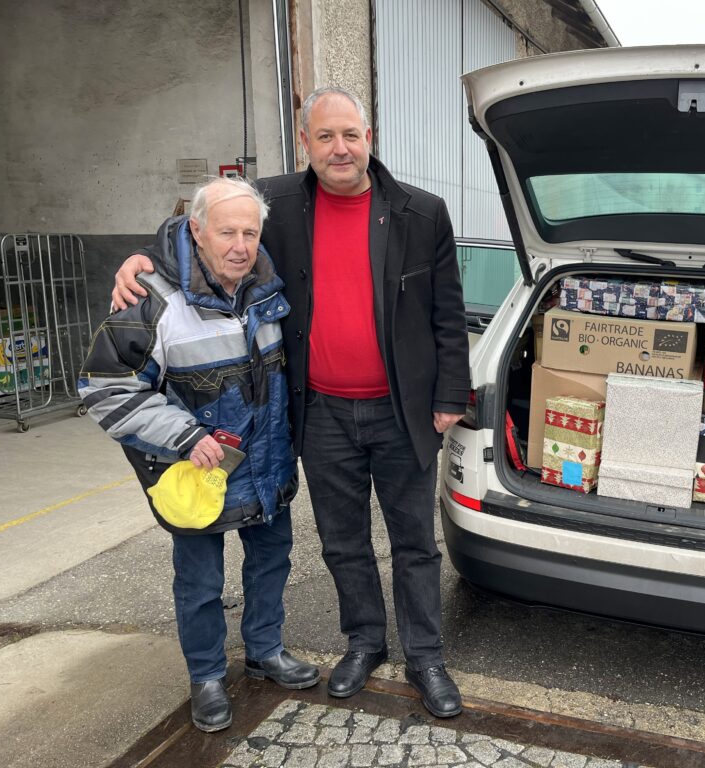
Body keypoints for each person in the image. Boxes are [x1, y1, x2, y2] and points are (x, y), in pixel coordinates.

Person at [112, 87, 471, 718]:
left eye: (351, 134)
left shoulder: (422, 212)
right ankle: (364, 642)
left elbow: (448, 312)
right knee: (343, 541)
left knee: (415, 543)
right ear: (306, 143)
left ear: (369, 137)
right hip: (320, 411)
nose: (340, 148)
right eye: (325, 136)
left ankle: (426, 657)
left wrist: (449, 394)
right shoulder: (277, 203)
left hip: (403, 411)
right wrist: (141, 260)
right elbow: (203, 223)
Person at [83, 177, 319, 733]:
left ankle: (265, 650)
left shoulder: (270, 287)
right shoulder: (150, 298)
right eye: (226, 232)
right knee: (200, 583)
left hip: (266, 466)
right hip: (196, 475)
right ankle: (207, 675)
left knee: (272, 563)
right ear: (196, 229)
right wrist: (185, 436)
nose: (240, 246)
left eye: (250, 233)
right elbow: (105, 388)